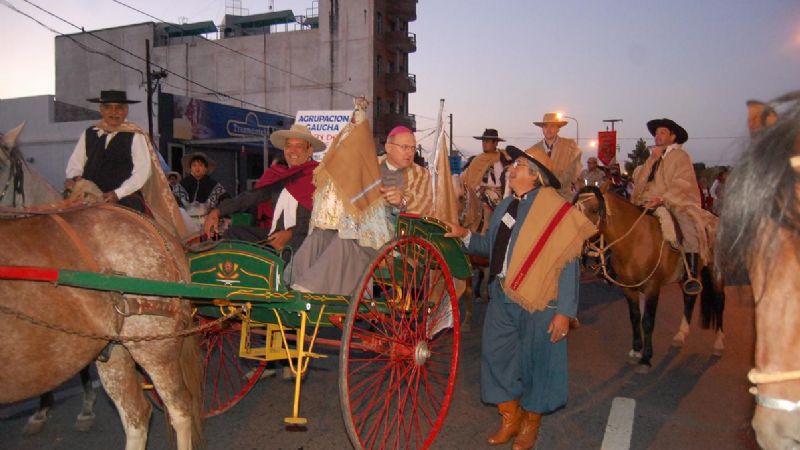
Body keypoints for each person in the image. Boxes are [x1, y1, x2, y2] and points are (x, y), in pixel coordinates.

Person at [445, 147, 595, 450]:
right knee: (496, 355)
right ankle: (509, 418)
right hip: (502, 296)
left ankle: (530, 425)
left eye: (519, 166)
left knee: (538, 363)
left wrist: (565, 311)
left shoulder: (558, 210)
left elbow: (568, 264)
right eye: (513, 166)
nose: (511, 170)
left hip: (542, 302)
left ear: (535, 175)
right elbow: (489, 246)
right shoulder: (505, 207)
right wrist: (463, 234)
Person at [290, 125, 433, 295]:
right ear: (388, 148)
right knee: (320, 235)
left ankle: (309, 290)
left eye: (412, 148)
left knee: (347, 240)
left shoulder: (422, 175)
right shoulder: (370, 164)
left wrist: (402, 202)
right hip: (356, 228)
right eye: (405, 147)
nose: (410, 152)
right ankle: (291, 284)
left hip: (394, 241)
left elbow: (425, 206)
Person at [204, 124, 323, 252]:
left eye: (298, 146)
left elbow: (320, 219)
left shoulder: (320, 177)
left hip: (304, 241)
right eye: (288, 146)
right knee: (233, 233)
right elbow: (253, 195)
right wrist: (217, 211)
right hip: (275, 237)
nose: (292, 151)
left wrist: (290, 233)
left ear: (309, 150)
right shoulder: (283, 177)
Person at [631, 118, 718, 288]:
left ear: (673, 137)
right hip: (648, 202)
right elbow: (639, 182)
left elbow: (683, 182)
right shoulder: (652, 157)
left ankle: (690, 274)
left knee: (687, 226)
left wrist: (663, 199)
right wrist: (651, 161)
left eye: (662, 132)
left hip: (675, 202)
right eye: (656, 133)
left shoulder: (680, 156)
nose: (657, 136)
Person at [65, 90, 150, 212]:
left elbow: (142, 172)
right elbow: (75, 164)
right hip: (88, 198)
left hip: (124, 199)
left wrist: (117, 193)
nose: (113, 112)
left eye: (119, 108)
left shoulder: (135, 135)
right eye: (108, 107)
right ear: (101, 110)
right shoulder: (89, 133)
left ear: (126, 110)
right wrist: (75, 179)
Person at [461, 128, 512, 232]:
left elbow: (505, 180)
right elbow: (467, 179)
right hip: (474, 193)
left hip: (500, 195)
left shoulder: (503, 159)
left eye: (487, 141)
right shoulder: (477, 159)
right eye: (483, 141)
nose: (484, 143)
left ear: (495, 143)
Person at [527, 113, 582, 200]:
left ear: (558, 129)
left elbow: (573, 172)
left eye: (552, 126)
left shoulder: (571, 147)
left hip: (564, 197)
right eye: (545, 126)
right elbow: (530, 175)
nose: (548, 130)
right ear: (542, 129)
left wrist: (554, 186)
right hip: (540, 197)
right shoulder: (533, 150)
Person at [175, 152, 227, 228]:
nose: (197, 168)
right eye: (194, 165)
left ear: (206, 168)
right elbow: (172, 202)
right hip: (186, 222)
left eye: (200, 165)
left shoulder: (214, 185)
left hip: (208, 221)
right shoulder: (182, 184)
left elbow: (225, 201)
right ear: (190, 168)